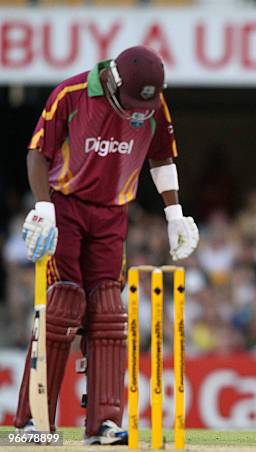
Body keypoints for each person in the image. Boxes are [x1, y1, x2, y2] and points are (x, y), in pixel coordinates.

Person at [15, 46, 199, 445]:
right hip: (65, 204)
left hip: (114, 211)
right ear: (114, 80)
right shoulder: (72, 94)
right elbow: (37, 152)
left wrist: (174, 214)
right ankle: (33, 421)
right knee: (62, 305)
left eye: (143, 106)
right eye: (131, 103)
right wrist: (44, 205)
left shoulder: (153, 103)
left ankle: (103, 423)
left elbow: (162, 158)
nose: (136, 113)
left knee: (109, 310)